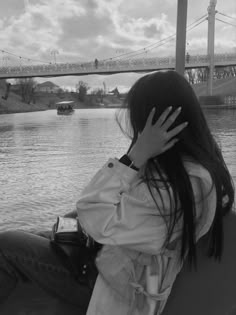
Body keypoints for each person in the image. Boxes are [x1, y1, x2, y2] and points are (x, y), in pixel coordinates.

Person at [0, 70, 234, 315]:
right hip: (116, 265)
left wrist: (134, 157)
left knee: (5, 246)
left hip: (118, 289)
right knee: (41, 234)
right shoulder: (188, 169)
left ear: (156, 122)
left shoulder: (185, 184)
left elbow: (94, 215)